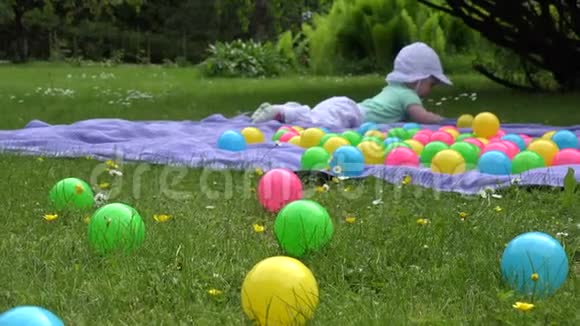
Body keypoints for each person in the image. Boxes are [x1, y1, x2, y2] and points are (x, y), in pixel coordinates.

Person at [250, 42, 454, 129]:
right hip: (351, 113)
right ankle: (282, 111)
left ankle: (284, 111)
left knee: (315, 115)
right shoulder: (409, 96)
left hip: (348, 108)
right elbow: (421, 116)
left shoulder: (394, 89)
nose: (431, 90)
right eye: (431, 84)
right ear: (417, 79)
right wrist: (444, 120)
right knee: (318, 122)